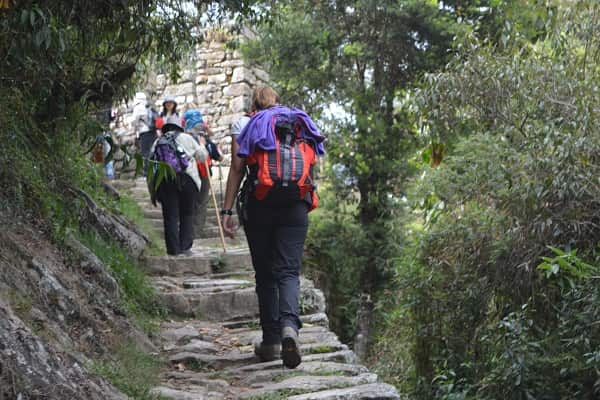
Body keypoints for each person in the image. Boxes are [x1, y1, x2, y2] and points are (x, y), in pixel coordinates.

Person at [221, 86, 325, 369]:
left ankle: (270, 341)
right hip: (296, 204)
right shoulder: (297, 122)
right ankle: (290, 327)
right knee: (289, 271)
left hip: (260, 204)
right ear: (278, 102)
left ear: (253, 105)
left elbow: (237, 168)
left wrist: (227, 210)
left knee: (265, 274)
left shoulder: (247, 124)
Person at [150, 115, 208, 256]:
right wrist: (202, 145)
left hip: (166, 179)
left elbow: (151, 165)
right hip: (188, 179)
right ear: (179, 127)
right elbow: (202, 156)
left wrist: (153, 191)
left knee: (170, 216)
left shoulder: (158, 141)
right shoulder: (187, 138)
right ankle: (185, 247)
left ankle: (173, 250)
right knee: (187, 213)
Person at [183, 109, 223, 238]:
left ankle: (192, 230)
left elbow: (217, 156)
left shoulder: (186, 139)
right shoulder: (201, 139)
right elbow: (218, 156)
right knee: (199, 201)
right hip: (197, 173)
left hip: (194, 173)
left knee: (196, 201)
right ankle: (195, 230)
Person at [132, 92, 158, 175]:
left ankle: (147, 172)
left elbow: (134, 121)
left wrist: (135, 131)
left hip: (144, 132)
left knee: (145, 152)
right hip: (153, 131)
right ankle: (155, 171)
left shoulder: (138, 107)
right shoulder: (148, 106)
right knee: (152, 151)